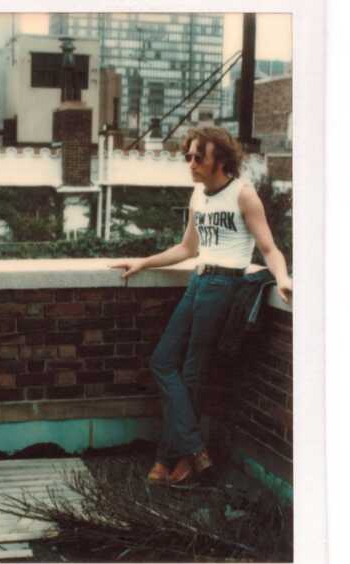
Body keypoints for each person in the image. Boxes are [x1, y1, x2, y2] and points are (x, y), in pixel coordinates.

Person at [111, 126, 292, 485]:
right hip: (198, 281)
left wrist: (283, 277)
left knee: (193, 373)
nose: (190, 163)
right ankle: (194, 450)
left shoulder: (243, 194)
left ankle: (168, 460)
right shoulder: (197, 195)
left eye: (198, 157)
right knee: (163, 361)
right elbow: (187, 248)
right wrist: (144, 262)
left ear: (220, 161)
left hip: (224, 285)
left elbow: (268, 248)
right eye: (188, 156)